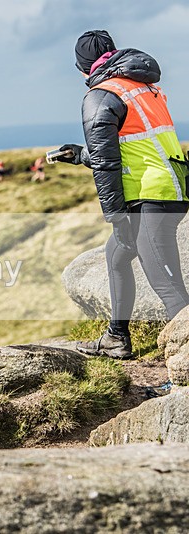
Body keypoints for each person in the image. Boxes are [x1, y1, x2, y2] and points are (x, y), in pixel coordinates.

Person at [55, 30, 189, 359]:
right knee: (116, 257)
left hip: (151, 198)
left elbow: (107, 164)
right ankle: (116, 337)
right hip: (169, 187)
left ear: (82, 68)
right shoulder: (142, 87)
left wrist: (116, 217)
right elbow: (130, 149)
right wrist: (79, 154)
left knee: (169, 289)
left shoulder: (100, 96)